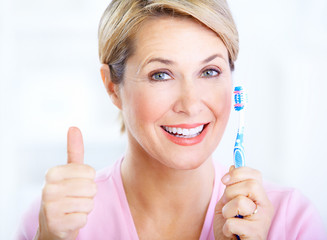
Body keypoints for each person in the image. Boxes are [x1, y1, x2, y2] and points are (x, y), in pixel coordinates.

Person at [17, 0, 326, 239]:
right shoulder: (56, 222)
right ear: (113, 86)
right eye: (161, 74)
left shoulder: (291, 221)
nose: (191, 104)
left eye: (209, 71)